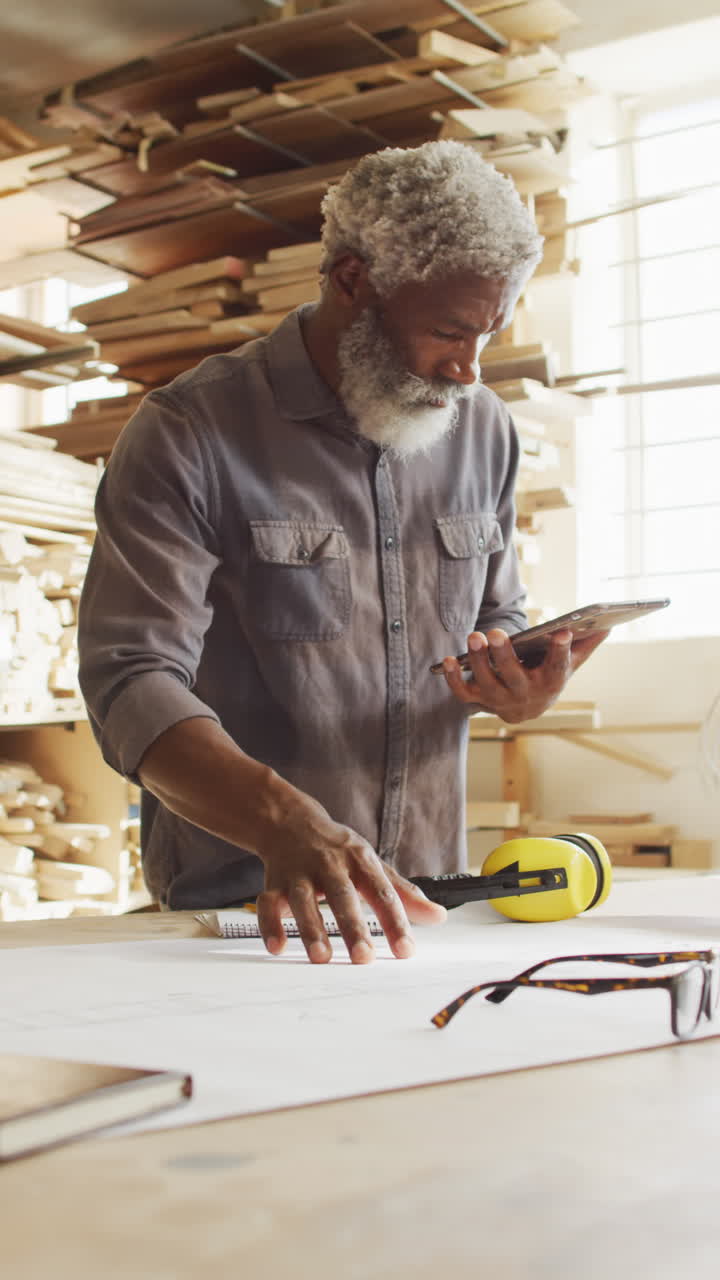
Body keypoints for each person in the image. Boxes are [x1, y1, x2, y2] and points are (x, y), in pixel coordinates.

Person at [77, 140, 607, 965]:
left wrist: (518, 684)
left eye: (488, 334)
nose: (469, 370)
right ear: (353, 282)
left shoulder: (484, 430)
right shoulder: (189, 433)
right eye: (447, 331)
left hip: (426, 907)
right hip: (243, 921)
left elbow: (496, 614)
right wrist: (284, 823)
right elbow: (130, 684)